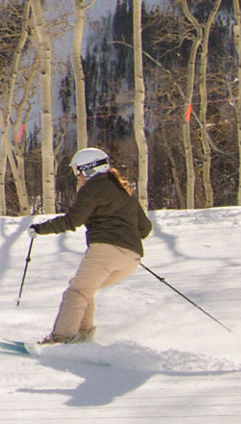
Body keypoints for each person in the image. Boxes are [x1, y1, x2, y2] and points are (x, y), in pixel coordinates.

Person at [29, 147, 153, 345]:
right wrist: (124, 239)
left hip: (105, 251)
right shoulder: (123, 191)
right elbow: (145, 228)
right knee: (85, 289)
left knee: (77, 292)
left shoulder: (93, 187)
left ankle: (61, 338)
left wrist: (40, 229)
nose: (78, 177)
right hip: (131, 258)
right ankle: (82, 334)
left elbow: (73, 220)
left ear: (88, 169)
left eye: (78, 172)